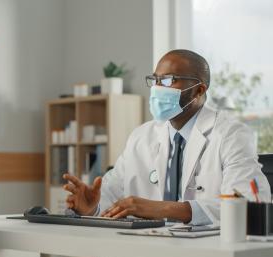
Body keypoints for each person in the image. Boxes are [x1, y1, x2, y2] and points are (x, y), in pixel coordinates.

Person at [64, 49, 270, 225]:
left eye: (169, 80)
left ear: (199, 90)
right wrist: (92, 208)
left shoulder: (231, 134)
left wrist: (164, 209)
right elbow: (111, 197)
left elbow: (249, 202)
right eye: (155, 80)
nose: (157, 89)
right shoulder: (141, 137)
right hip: (145, 250)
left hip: (208, 254)